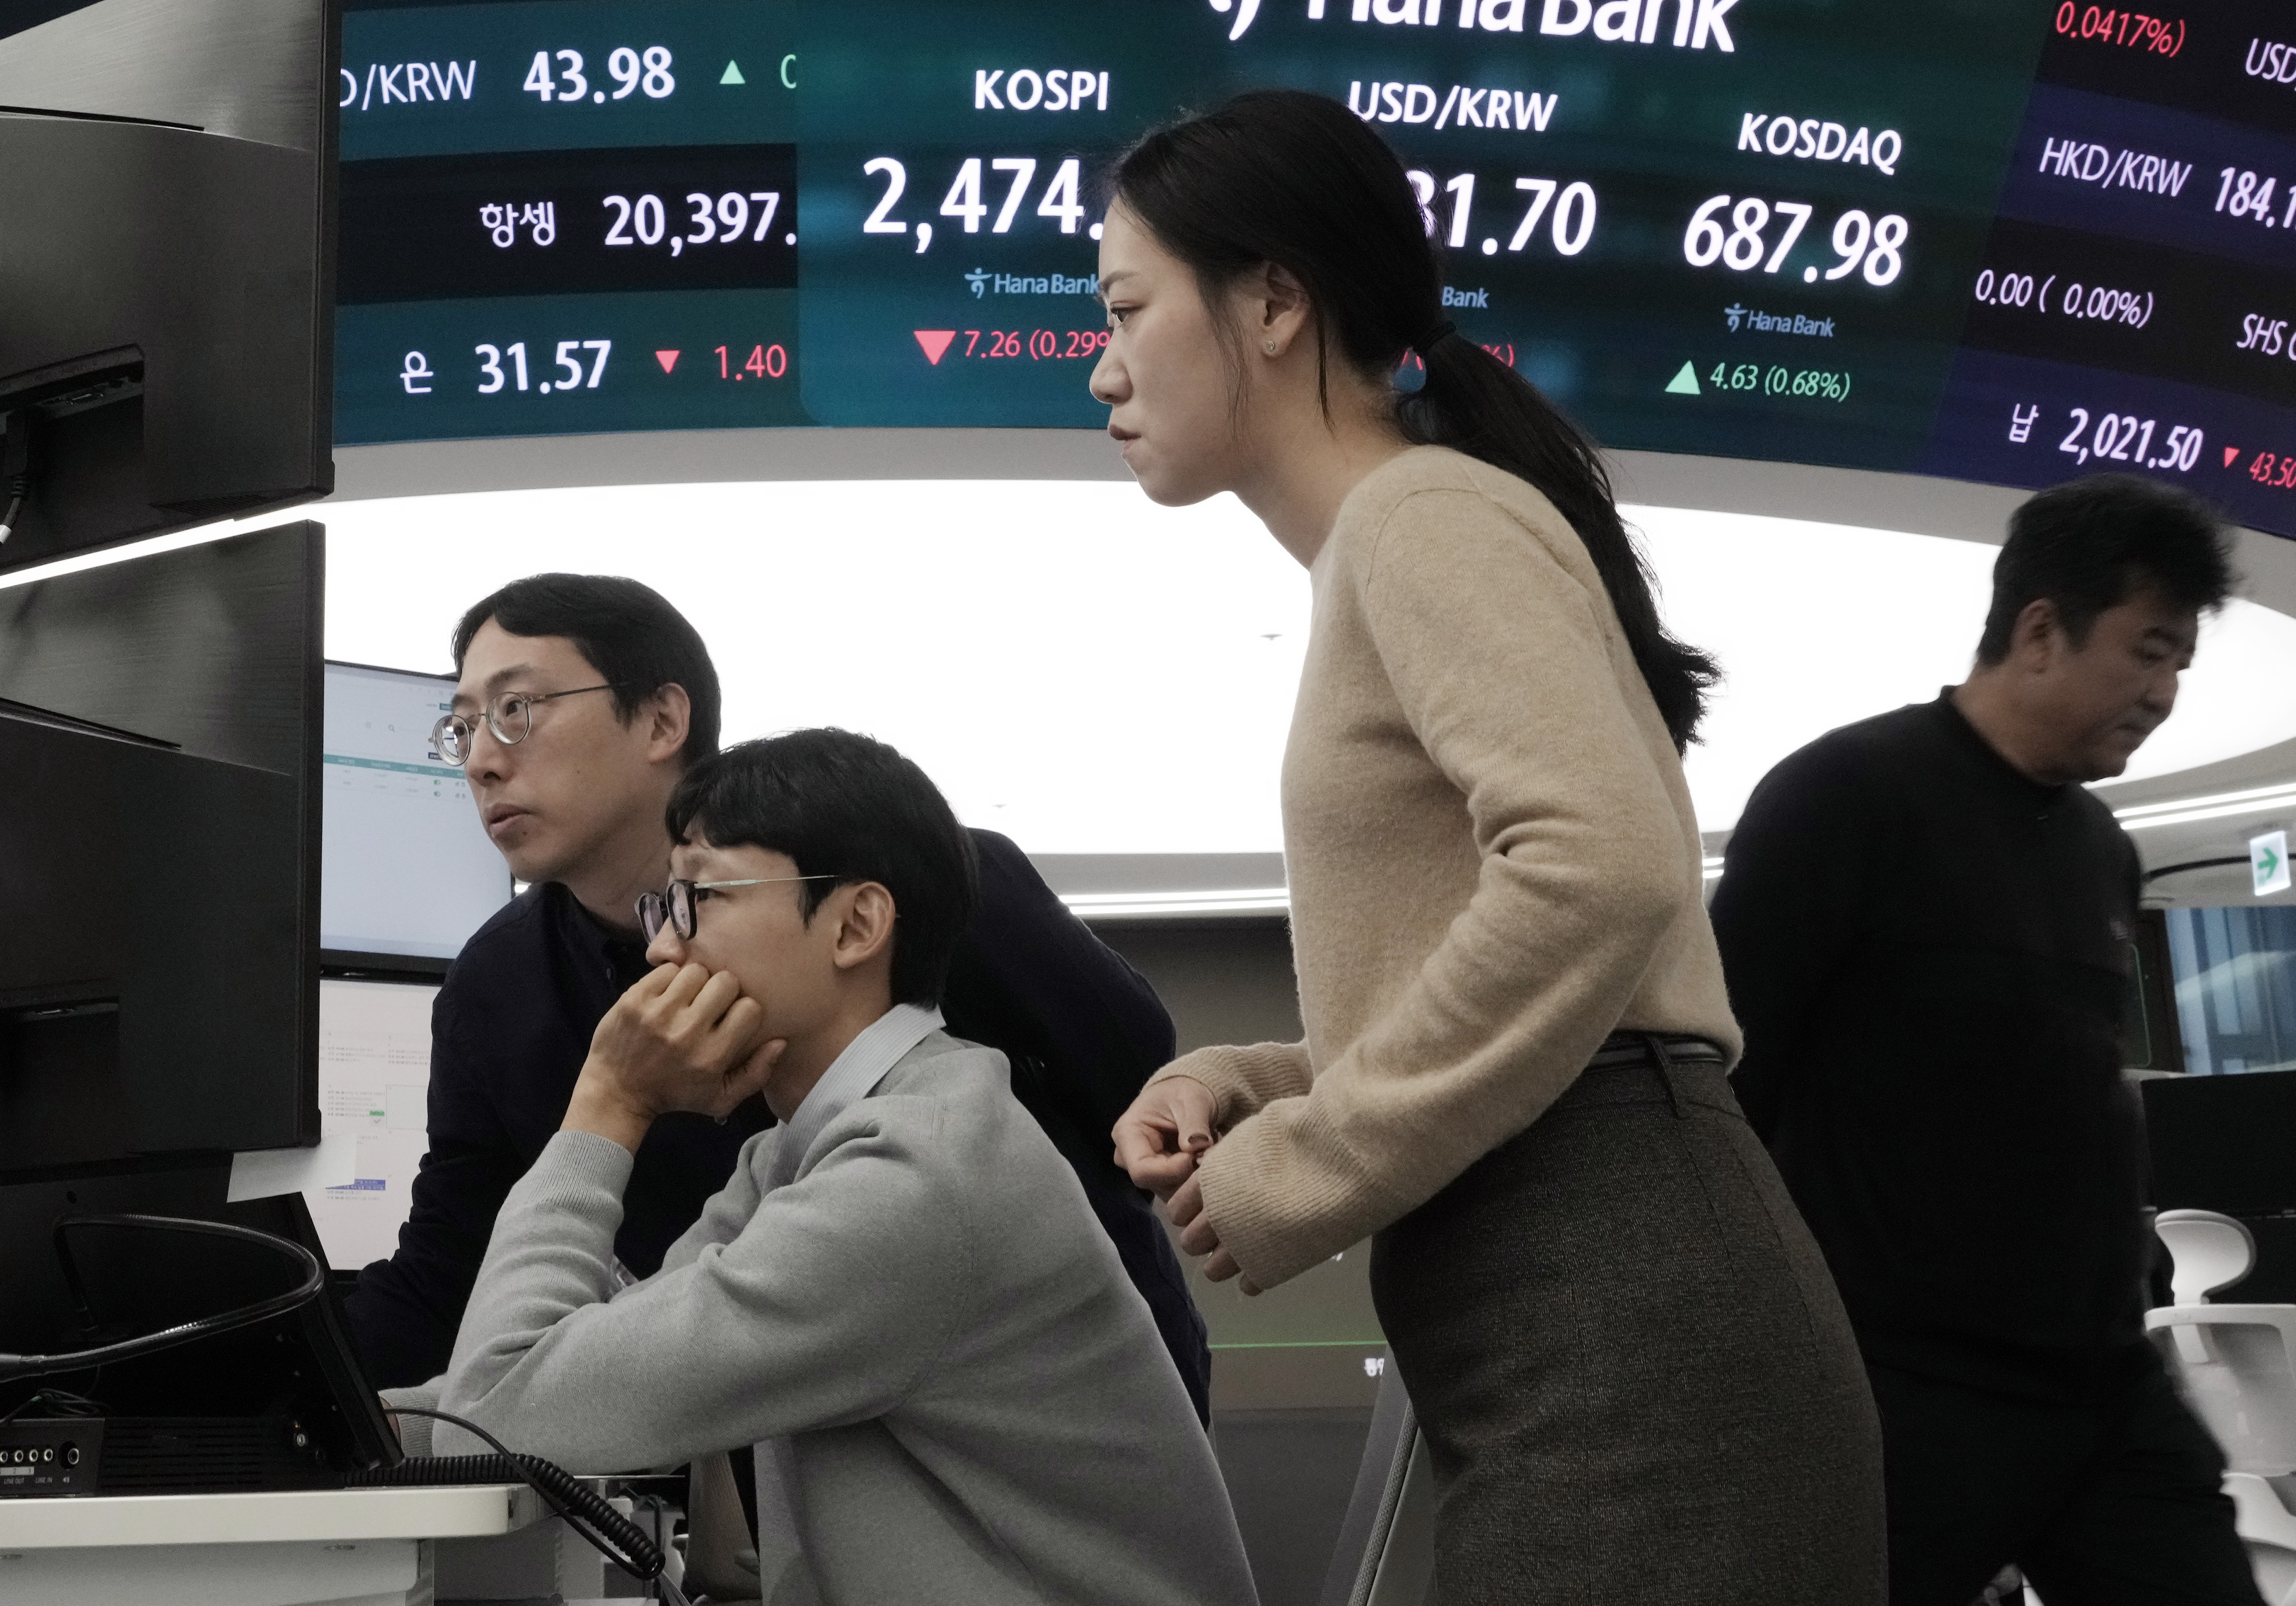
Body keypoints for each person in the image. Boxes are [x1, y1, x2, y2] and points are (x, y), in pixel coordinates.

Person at [1095, 89, 1884, 1603]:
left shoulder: (1420, 519)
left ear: (1270, 302)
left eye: (1129, 308)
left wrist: (1306, 1164)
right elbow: (1538, 948)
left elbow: (1596, 874)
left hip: (1615, 1284)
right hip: (1584, 1277)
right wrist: (1253, 1086)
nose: (1102, 362)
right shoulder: (1402, 536)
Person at [388, 730, 1260, 1606]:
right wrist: (327, 1427)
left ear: (855, 925)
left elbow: (510, 1406)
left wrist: (608, 1105)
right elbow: (573, 1372)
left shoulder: (917, 1176)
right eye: (666, 905)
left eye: (702, 897)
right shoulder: (806, 1149)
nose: (661, 951)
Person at [342, 573, 1210, 1423]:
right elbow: (458, 1269)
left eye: (516, 711)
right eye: (460, 729)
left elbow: (1131, 1078)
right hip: (757, 1422)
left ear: (661, 719)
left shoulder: (916, 886)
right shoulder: (497, 988)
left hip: (1043, 1416)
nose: (484, 760)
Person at [1713, 472, 2255, 1606]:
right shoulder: (1846, 796)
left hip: (2103, 1387)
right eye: (2147, 651)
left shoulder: (2101, 844)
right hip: (1904, 1393)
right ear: (2040, 629)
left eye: (2179, 668)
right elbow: (1723, 1087)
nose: (2162, 693)